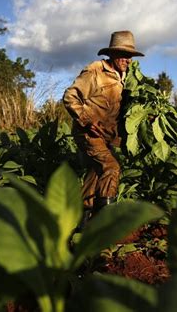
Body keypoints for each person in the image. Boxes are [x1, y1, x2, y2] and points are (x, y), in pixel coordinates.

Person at [63, 30, 144, 223]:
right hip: (88, 133)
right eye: (124, 55)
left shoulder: (127, 78)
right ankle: (104, 222)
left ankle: (80, 222)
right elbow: (70, 97)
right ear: (113, 54)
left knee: (95, 174)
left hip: (107, 136)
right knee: (111, 167)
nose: (128, 60)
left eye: (130, 56)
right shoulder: (95, 72)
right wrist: (87, 120)